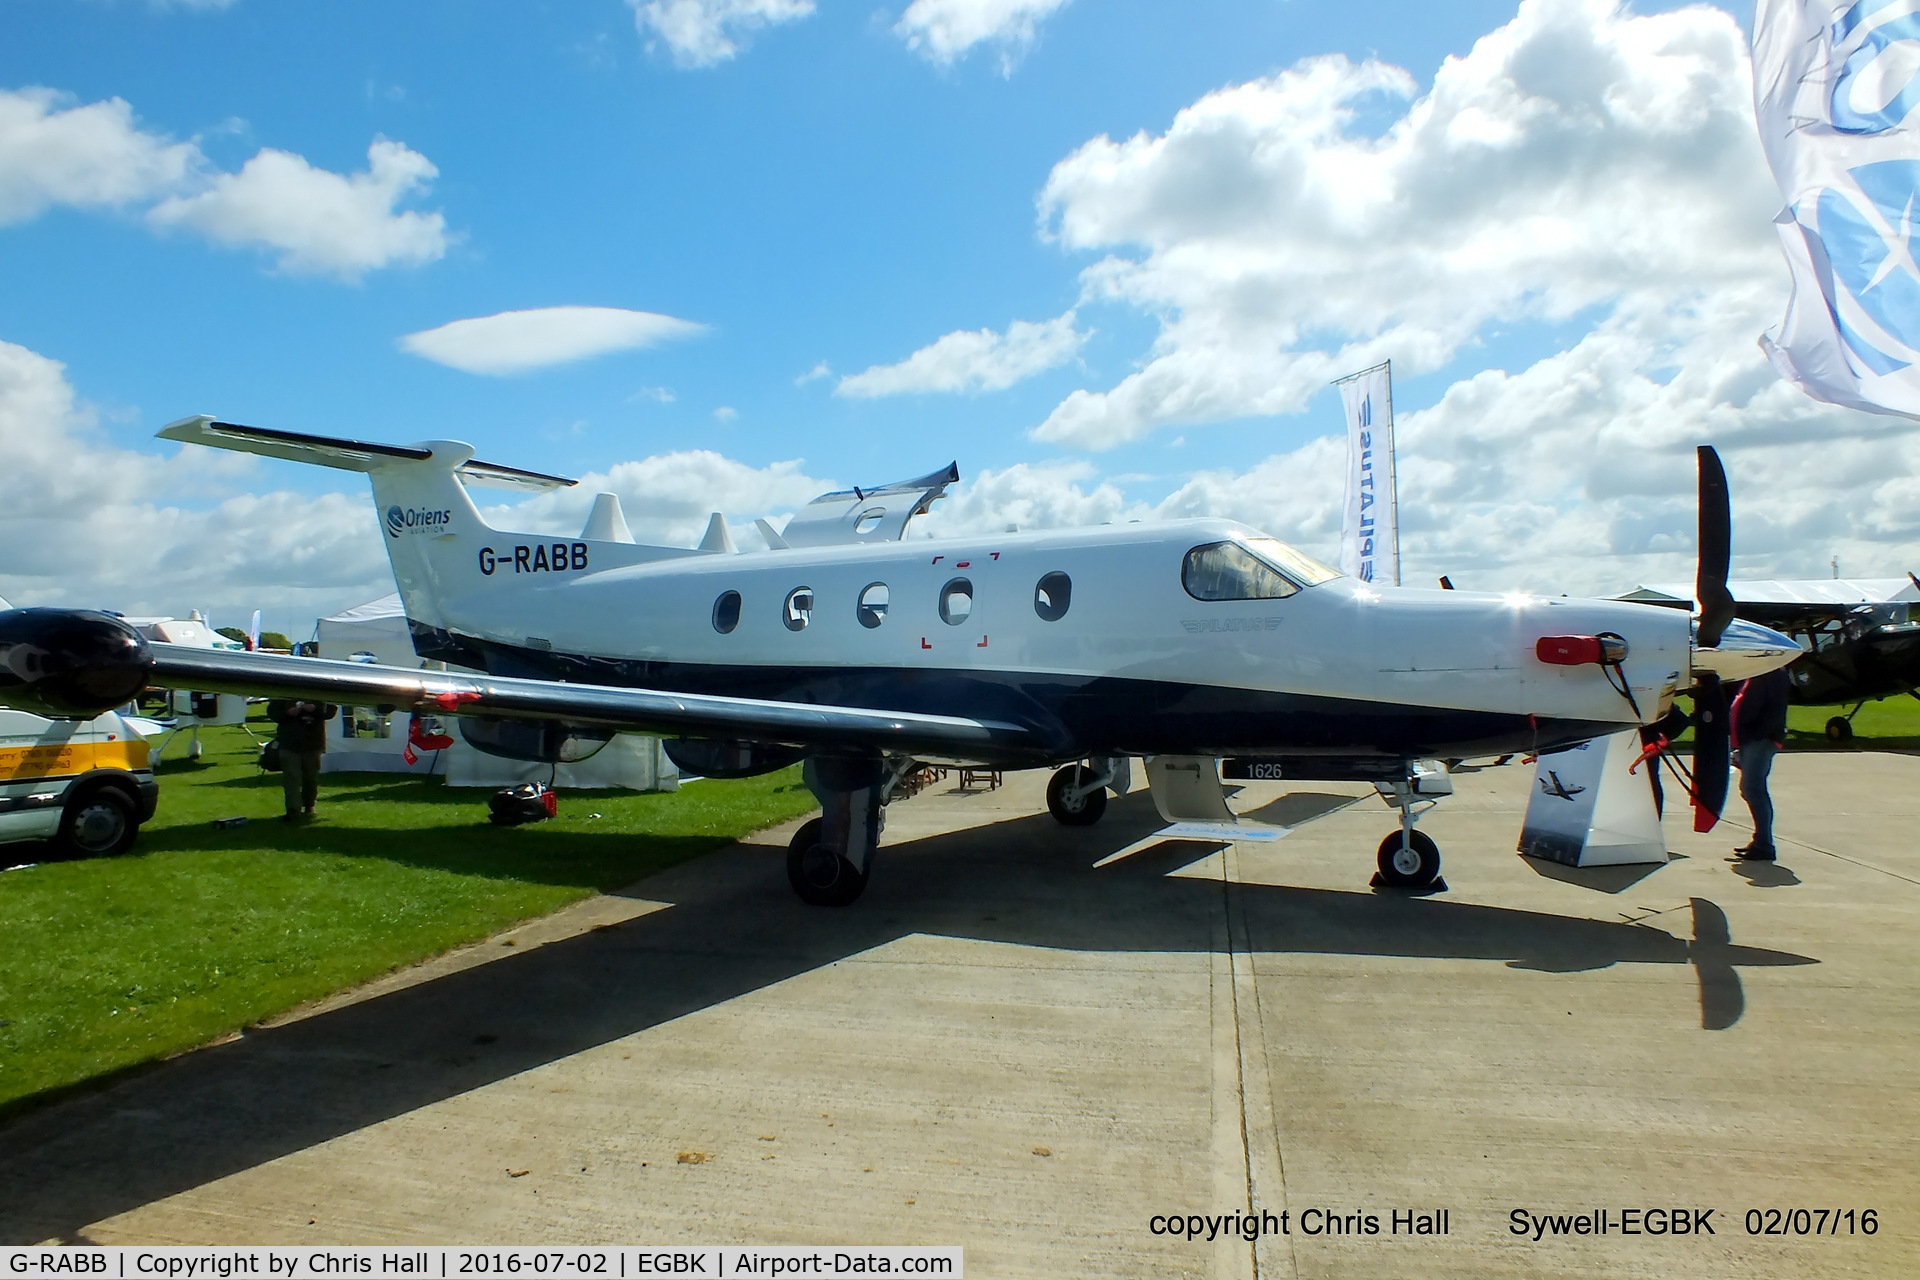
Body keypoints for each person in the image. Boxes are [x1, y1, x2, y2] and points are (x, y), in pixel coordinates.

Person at [1730, 666, 1791, 861]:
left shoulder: (1772, 673)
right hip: (1752, 739)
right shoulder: (1761, 672)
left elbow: (1771, 709)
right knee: (1749, 789)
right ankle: (1761, 840)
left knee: (1753, 788)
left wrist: (1756, 735)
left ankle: (1764, 844)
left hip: (1760, 739)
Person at [268, 698, 337, 822]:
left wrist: (315, 709)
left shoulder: (318, 691)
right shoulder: (283, 693)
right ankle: (293, 809)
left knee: (311, 776)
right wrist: (287, 713)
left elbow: (331, 711)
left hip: (312, 742)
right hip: (289, 741)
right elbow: (273, 713)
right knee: (291, 777)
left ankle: (309, 804)